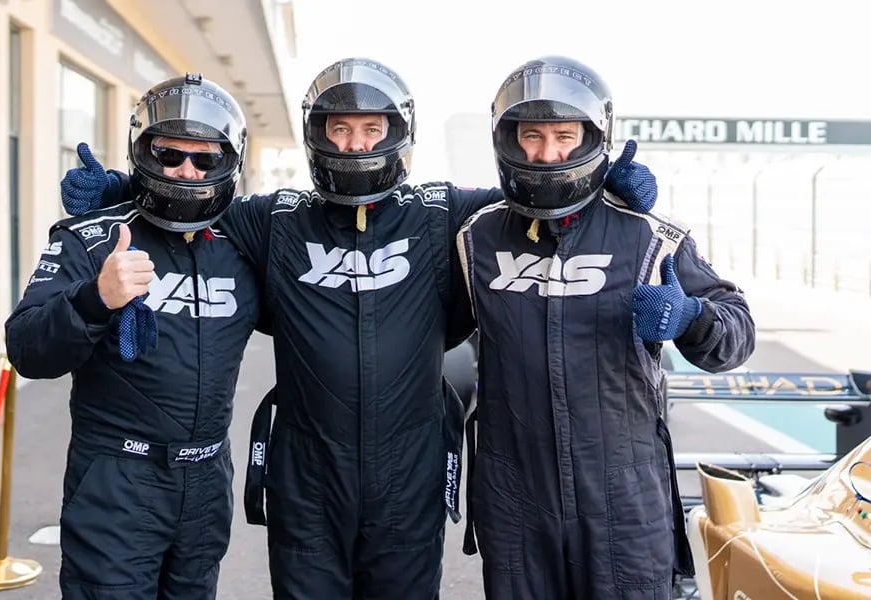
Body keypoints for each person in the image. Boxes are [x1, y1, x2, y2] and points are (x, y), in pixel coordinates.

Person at [59, 57, 659, 599]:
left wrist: (604, 189)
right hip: (307, 478)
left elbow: (537, 192)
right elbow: (195, 192)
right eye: (339, 129)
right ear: (316, 134)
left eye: (371, 128)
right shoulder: (275, 220)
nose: (355, 144)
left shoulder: (443, 213)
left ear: (398, 133)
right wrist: (122, 187)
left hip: (410, 476)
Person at [453, 55, 757, 600]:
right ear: (506, 139)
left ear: (596, 138)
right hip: (516, 503)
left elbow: (737, 333)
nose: (548, 154)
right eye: (531, 136)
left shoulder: (650, 236)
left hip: (625, 505)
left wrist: (692, 317)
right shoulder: (474, 237)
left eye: (565, 137)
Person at [5, 73, 259, 599]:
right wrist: (94, 298)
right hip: (117, 483)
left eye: (205, 159)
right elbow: (26, 348)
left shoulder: (244, 242)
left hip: (207, 483)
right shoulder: (91, 237)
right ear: (143, 152)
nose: (186, 171)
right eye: (169, 155)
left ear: (229, 162)